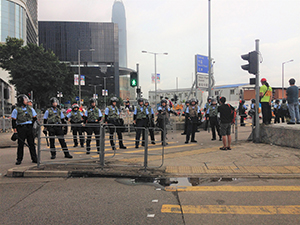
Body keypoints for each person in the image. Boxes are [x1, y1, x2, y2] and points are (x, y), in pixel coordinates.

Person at [11, 94, 38, 165]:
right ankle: (19, 159)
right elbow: (13, 121)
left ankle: (34, 158)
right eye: (25, 100)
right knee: (20, 144)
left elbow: (34, 118)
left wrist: (32, 127)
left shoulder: (30, 108)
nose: (27, 101)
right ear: (21, 101)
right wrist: (15, 131)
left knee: (31, 144)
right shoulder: (16, 110)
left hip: (29, 127)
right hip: (21, 127)